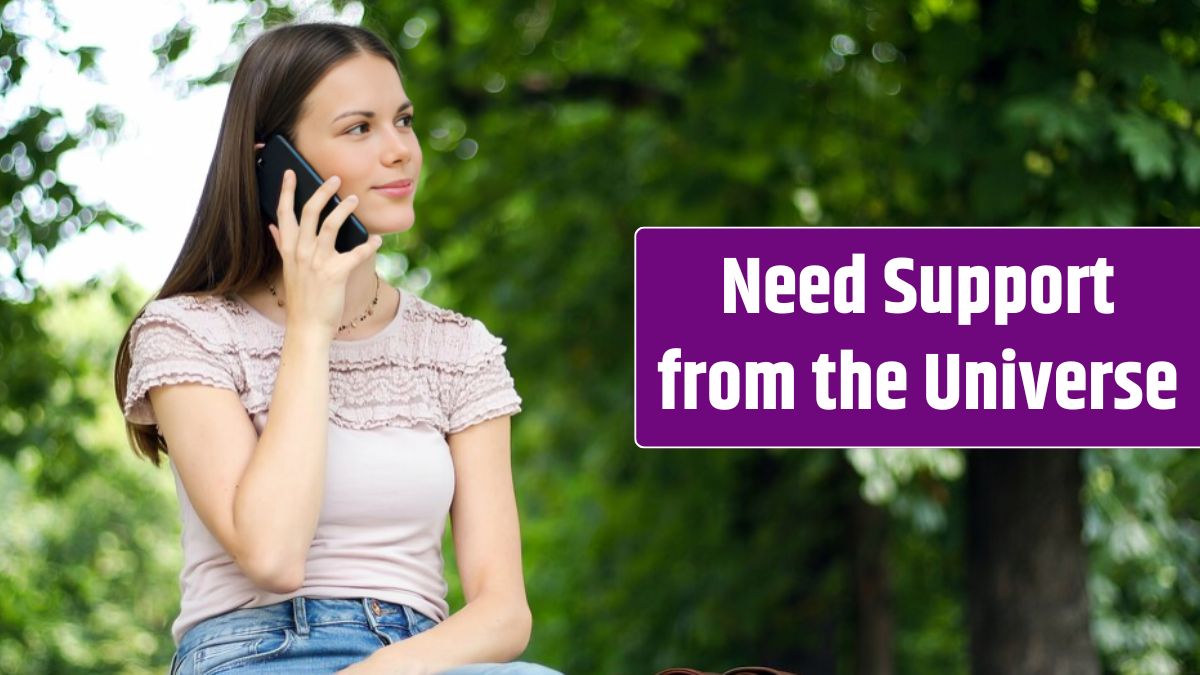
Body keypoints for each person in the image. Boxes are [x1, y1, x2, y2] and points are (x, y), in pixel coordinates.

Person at [113, 20, 563, 675]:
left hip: (421, 660)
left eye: (402, 121)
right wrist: (309, 327)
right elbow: (272, 555)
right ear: (274, 164)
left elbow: (503, 612)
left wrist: (376, 672)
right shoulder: (187, 331)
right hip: (254, 652)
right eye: (359, 128)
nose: (400, 150)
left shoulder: (458, 348)